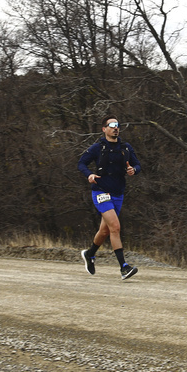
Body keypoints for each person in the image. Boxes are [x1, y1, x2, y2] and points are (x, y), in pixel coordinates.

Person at [77, 115, 142, 280]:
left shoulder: (125, 147)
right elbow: (81, 163)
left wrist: (133, 170)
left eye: (117, 125)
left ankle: (90, 254)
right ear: (104, 129)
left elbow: (137, 165)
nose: (115, 128)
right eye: (111, 125)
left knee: (105, 230)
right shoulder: (97, 148)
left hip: (118, 193)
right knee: (115, 227)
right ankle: (124, 267)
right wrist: (89, 174)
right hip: (101, 191)